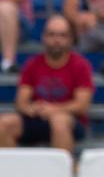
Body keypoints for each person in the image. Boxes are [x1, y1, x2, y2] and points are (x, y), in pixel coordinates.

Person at [0, 15, 94, 154]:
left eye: (62, 35)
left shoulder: (81, 66)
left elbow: (81, 106)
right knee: (4, 123)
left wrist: (53, 109)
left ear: (70, 39)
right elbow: (21, 102)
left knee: (59, 121)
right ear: (44, 37)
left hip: (70, 120)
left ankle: (63, 174)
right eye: (52, 34)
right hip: (37, 118)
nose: (56, 40)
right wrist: (31, 108)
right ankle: (9, 172)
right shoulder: (32, 64)